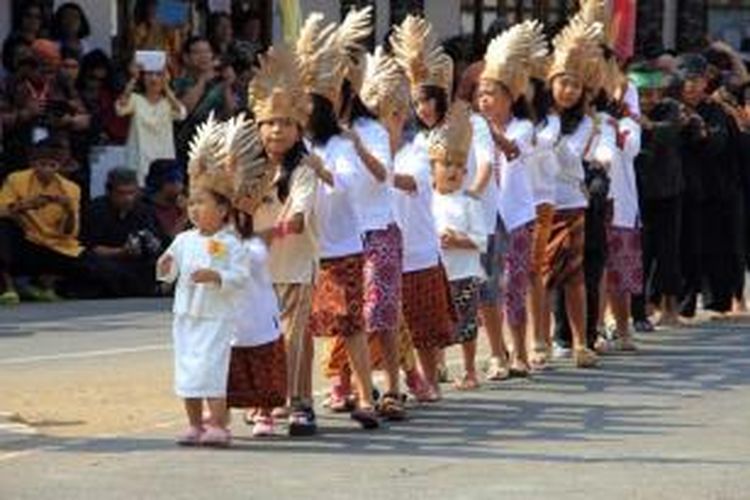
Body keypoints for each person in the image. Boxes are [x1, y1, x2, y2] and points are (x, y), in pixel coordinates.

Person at [156, 114, 266, 448]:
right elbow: (169, 270)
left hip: (215, 317)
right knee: (188, 372)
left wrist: (216, 275)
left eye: (201, 202)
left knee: (211, 371)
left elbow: (239, 275)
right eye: (191, 202)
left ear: (223, 209)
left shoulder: (232, 242)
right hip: (186, 315)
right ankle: (194, 424)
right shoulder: (185, 239)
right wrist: (165, 265)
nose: (194, 209)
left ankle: (218, 424)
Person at [296, 12, 380, 429]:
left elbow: (345, 185)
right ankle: (300, 400)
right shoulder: (293, 142)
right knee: (302, 329)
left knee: (350, 325)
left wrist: (318, 169)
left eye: (310, 102)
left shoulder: (341, 142)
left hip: (341, 247)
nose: (303, 109)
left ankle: (366, 395)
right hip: (301, 250)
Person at [326, 42, 408, 419]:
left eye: (334, 88)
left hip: (378, 230)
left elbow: (383, 175)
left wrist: (356, 145)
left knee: (379, 312)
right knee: (343, 314)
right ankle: (346, 384)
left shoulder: (369, 129)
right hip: (337, 236)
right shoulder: (317, 133)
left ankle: (392, 387)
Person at [249, 48, 320, 435]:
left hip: (295, 267)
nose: (277, 130)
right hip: (258, 270)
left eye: (285, 124)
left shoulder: (304, 170)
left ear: (299, 129)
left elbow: (297, 217)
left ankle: (285, 404)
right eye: (269, 123)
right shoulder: (249, 170)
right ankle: (272, 402)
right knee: (257, 336)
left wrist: (277, 227)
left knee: (289, 340)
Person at [391, 15, 458, 400]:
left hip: (420, 241)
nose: (422, 107)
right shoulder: (392, 138)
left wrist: (377, 171)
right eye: (416, 101)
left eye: (429, 99)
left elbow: (416, 180)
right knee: (394, 320)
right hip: (390, 240)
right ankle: (405, 378)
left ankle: (430, 378)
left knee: (425, 322)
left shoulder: (432, 142)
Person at [477, 21, 547, 377]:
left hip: (517, 216)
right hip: (485, 217)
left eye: (492, 93)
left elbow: (512, 150)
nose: (484, 100)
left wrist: (486, 129)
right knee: (486, 286)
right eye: (481, 94)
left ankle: (520, 349)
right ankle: (496, 354)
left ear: (511, 96)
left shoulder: (524, 127)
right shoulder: (476, 129)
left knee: (513, 284)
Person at [544, 16, 601, 368]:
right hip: (538, 204)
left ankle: (581, 341)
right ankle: (538, 340)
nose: (569, 91)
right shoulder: (536, 117)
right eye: (563, 83)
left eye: (575, 87)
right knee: (538, 277)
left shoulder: (585, 123)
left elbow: (569, 157)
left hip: (569, 203)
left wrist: (549, 130)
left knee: (573, 275)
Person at [431, 102, 486, 390]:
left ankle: (469, 370)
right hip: (437, 272)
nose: (452, 172)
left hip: (464, 272)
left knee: (466, 325)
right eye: (446, 164)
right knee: (436, 323)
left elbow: (482, 240)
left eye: (458, 167)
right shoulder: (427, 201)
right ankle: (436, 367)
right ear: (433, 168)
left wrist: (459, 241)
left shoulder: (469, 202)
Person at [0, 137, 91, 304]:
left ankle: (45, 286)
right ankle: (7, 287)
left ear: (59, 167)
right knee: (2, 227)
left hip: (52, 244)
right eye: (42, 164)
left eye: (52, 165)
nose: (46, 170)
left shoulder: (71, 189)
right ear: (33, 164)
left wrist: (69, 211)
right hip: (24, 239)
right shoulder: (16, 179)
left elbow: (70, 233)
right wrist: (26, 205)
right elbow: (2, 210)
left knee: (87, 259)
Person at [629, 64, 685, 328]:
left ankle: (670, 306)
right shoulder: (626, 113)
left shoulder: (671, 109)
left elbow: (671, 130)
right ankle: (639, 309)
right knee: (641, 251)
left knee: (669, 251)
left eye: (652, 94)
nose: (647, 100)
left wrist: (649, 125)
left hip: (668, 191)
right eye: (641, 94)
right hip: (637, 192)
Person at [82, 168, 162, 297]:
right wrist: (121, 251)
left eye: (131, 193)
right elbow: (90, 248)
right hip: (107, 259)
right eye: (121, 193)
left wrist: (152, 245)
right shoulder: (96, 210)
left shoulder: (144, 210)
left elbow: (157, 239)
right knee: (99, 268)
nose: (128, 198)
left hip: (138, 261)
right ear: (110, 192)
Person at [116, 58, 186, 186]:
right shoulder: (135, 99)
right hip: (138, 158)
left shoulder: (168, 102)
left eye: (159, 74)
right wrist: (133, 79)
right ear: (143, 78)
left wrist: (166, 87)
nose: (153, 79)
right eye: (149, 74)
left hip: (163, 159)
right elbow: (120, 109)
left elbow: (181, 113)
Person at [172, 36, 237, 165]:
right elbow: (183, 111)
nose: (203, 56)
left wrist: (227, 85)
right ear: (186, 58)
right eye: (197, 52)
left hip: (214, 147)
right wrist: (202, 80)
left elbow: (231, 114)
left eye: (207, 52)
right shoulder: (178, 83)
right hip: (184, 146)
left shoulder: (220, 83)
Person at [145, 159, 188, 244]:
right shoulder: (145, 210)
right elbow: (168, 243)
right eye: (178, 181)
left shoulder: (181, 203)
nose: (181, 186)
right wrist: (185, 215)